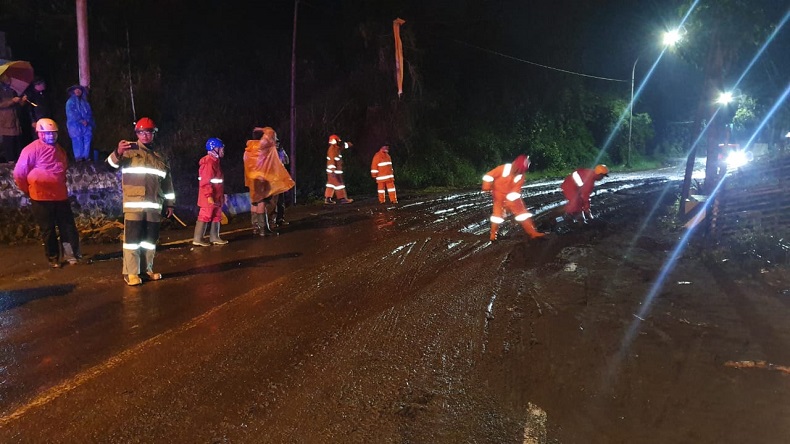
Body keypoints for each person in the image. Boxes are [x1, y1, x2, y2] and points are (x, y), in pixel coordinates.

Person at [106, 117, 175, 286]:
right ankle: (131, 273)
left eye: (149, 132)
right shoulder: (128, 150)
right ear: (137, 133)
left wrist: (170, 204)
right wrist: (117, 152)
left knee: (149, 241)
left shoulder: (159, 157)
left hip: (154, 206)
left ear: (153, 134)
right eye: (142, 132)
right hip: (134, 206)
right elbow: (109, 166)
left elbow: (167, 183)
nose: (145, 135)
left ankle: (146, 270)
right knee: (132, 241)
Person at [13, 118, 82, 268]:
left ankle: (71, 255)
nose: (51, 136)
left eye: (53, 133)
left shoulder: (60, 150)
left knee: (67, 227)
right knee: (48, 229)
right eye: (47, 134)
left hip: (59, 195)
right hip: (40, 196)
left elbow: (63, 169)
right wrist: (29, 189)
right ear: (40, 134)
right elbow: (19, 173)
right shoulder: (31, 150)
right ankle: (53, 258)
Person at [482, 154, 545, 241]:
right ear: (515, 165)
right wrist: (486, 187)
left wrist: (509, 204)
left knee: (522, 214)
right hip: (498, 195)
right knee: (497, 215)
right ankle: (493, 234)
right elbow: (489, 176)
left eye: (522, 170)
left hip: (511, 197)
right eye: (520, 169)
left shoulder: (521, 176)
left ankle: (533, 233)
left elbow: (516, 191)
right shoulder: (503, 168)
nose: (520, 171)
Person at [244, 126, 294, 236]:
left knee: (254, 202)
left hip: (252, 180)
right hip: (262, 180)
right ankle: (263, 230)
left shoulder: (248, 149)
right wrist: (264, 129)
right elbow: (271, 132)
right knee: (262, 203)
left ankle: (255, 227)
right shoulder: (263, 147)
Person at [193, 137, 227, 246]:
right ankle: (198, 239)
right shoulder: (209, 162)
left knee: (216, 215)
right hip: (209, 196)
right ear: (214, 149)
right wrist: (209, 196)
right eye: (221, 148)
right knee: (205, 215)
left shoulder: (215, 162)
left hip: (216, 195)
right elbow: (205, 181)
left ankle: (214, 237)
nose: (222, 150)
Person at [65, 84, 95, 162]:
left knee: (87, 139)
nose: (78, 91)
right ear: (73, 91)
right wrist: (81, 120)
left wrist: (87, 121)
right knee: (77, 140)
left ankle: (86, 156)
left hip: (86, 125)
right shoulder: (70, 102)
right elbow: (71, 114)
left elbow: (89, 112)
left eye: (79, 90)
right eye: (76, 90)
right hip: (75, 125)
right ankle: (78, 157)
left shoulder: (84, 102)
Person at [0, 76, 24, 163]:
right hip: (5, 121)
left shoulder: (12, 90)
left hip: (15, 119)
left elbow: (18, 105)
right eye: (6, 76)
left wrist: (22, 101)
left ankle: (17, 160)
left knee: (17, 141)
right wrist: (12, 101)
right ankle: (10, 160)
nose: (9, 79)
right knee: (8, 142)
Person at [324, 134, 353, 204]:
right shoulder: (333, 149)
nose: (339, 142)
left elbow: (342, 147)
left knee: (331, 185)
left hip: (333, 171)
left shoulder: (335, 148)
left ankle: (328, 199)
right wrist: (333, 170)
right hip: (334, 171)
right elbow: (331, 160)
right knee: (339, 185)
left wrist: (348, 145)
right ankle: (342, 198)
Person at [274, 135, 290, 226]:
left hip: (280, 180)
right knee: (273, 202)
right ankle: (273, 220)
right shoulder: (270, 153)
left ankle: (280, 219)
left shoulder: (280, 152)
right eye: (275, 142)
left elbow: (287, 161)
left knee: (281, 201)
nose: (277, 144)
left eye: (278, 142)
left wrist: (282, 152)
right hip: (274, 180)